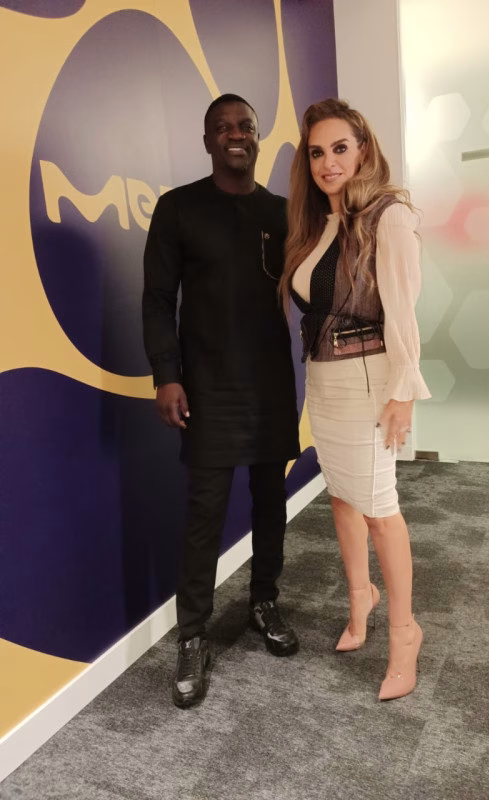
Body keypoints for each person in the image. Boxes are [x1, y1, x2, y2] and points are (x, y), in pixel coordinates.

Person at [142, 93, 300, 709]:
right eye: (223, 127)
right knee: (204, 514)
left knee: (270, 502)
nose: (236, 134)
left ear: (256, 137)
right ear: (207, 140)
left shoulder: (282, 213)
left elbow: (310, 289)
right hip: (206, 389)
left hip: (270, 385)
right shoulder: (178, 208)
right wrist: (167, 375)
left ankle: (264, 600)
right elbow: (158, 301)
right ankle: (192, 635)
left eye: (246, 126)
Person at [280, 98, 430, 701]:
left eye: (340, 148)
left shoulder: (388, 215)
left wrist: (404, 391)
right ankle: (360, 597)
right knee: (341, 495)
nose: (329, 162)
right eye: (317, 152)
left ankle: (405, 632)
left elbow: (402, 310)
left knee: (379, 509)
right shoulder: (318, 223)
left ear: (363, 148)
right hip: (323, 380)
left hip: (370, 379)